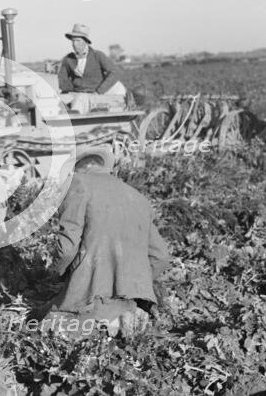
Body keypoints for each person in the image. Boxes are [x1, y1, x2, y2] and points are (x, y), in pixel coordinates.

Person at [43, 147, 170, 338]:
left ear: (79, 168)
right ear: (103, 167)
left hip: (88, 300)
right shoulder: (137, 196)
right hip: (131, 305)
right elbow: (160, 256)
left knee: (42, 324)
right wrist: (133, 282)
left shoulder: (78, 183)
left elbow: (67, 249)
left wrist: (56, 274)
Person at [58, 24, 127, 113]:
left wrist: (99, 91)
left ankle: (74, 122)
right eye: (73, 41)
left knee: (79, 102)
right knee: (54, 102)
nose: (74, 44)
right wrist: (69, 89)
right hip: (76, 93)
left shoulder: (97, 56)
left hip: (94, 94)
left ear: (86, 42)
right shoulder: (68, 59)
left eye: (78, 41)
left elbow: (115, 72)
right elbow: (62, 78)